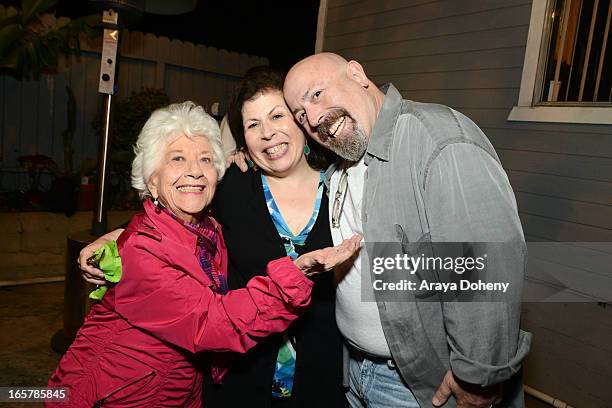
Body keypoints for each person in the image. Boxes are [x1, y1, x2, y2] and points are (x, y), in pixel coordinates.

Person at [52, 101, 360, 407]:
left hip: (172, 391)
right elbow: (214, 324)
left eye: (205, 160)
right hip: (115, 396)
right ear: (151, 180)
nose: (194, 172)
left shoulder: (208, 229)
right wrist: (296, 273)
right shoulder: (141, 250)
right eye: (177, 159)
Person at [283, 53, 531, 408]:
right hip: (353, 372)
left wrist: (478, 375)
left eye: (317, 94)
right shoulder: (342, 164)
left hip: (421, 386)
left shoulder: (438, 140)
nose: (314, 117)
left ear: (356, 73)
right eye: (301, 115)